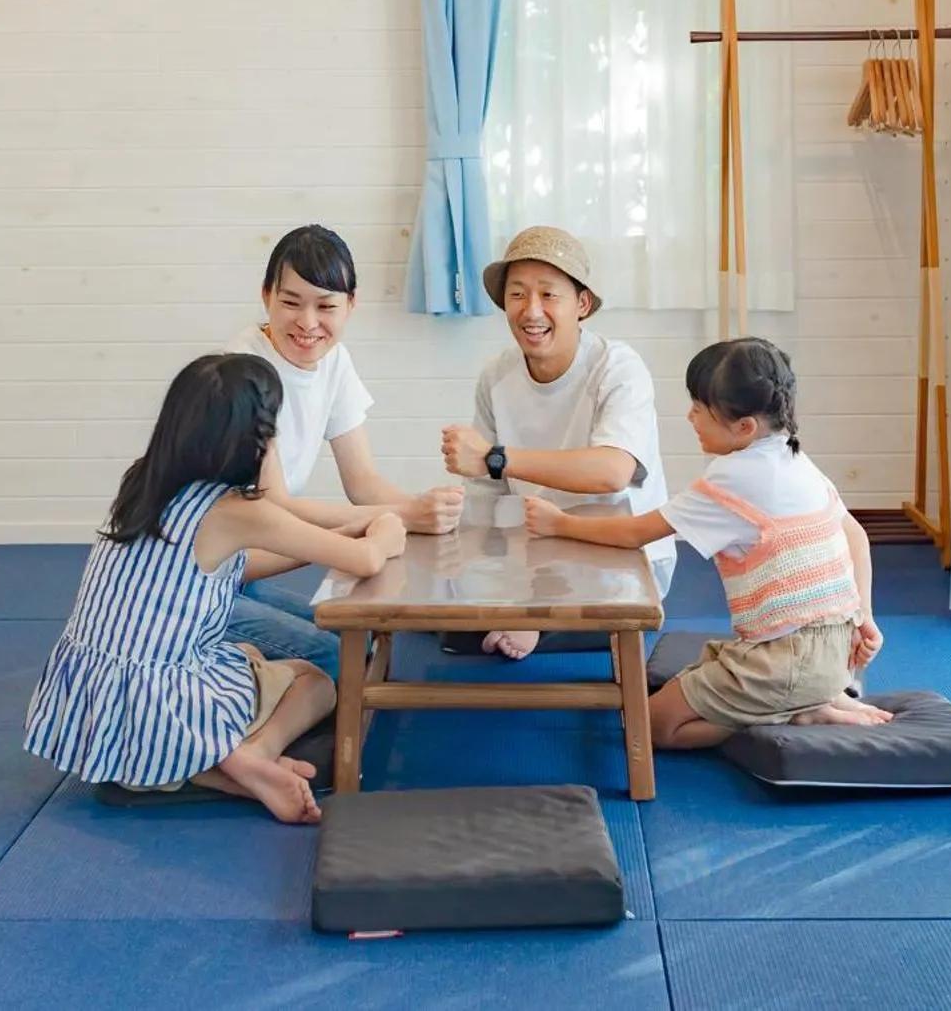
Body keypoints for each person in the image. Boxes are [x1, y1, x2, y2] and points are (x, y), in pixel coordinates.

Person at [22, 352, 407, 824]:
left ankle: (196, 765)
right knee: (316, 680)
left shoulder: (144, 480)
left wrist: (335, 539)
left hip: (94, 702)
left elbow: (244, 563)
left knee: (251, 655)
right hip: (162, 696)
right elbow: (368, 559)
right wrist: (387, 527)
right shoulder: (237, 511)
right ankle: (254, 758)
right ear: (256, 440)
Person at [521, 337, 891, 750]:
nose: (690, 416)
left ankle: (796, 711)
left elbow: (635, 533)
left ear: (744, 426)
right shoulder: (793, 456)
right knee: (696, 677)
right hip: (837, 651)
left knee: (651, 727)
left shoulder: (732, 478)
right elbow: (856, 535)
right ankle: (806, 699)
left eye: (700, 409)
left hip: (787, 660)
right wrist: (865, 618)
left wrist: (560, 523)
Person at [220, 225, 463, 675]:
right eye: (291, 303)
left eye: (326, 306)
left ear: (351, 305)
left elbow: (363, 481)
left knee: (355, 636)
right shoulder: (245, 373)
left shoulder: (333, 361)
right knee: (336, 656)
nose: (308, 323)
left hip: (239, 572)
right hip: (203, 577)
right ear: (266, 295)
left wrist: (429, 515)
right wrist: (392, 522)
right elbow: (274, 508)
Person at [439, 226, 674, 660]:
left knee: (480, 631)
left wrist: (496, 458)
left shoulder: (618, 367)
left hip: (616, 548)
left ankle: (541, 621)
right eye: (517, 295)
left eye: (549, 295)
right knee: (438, 616)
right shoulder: (496, 375)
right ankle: (530, 614)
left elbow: (613, 471)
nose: (531, 311)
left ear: (581, 305)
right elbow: (486, 490)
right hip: (533, 543)